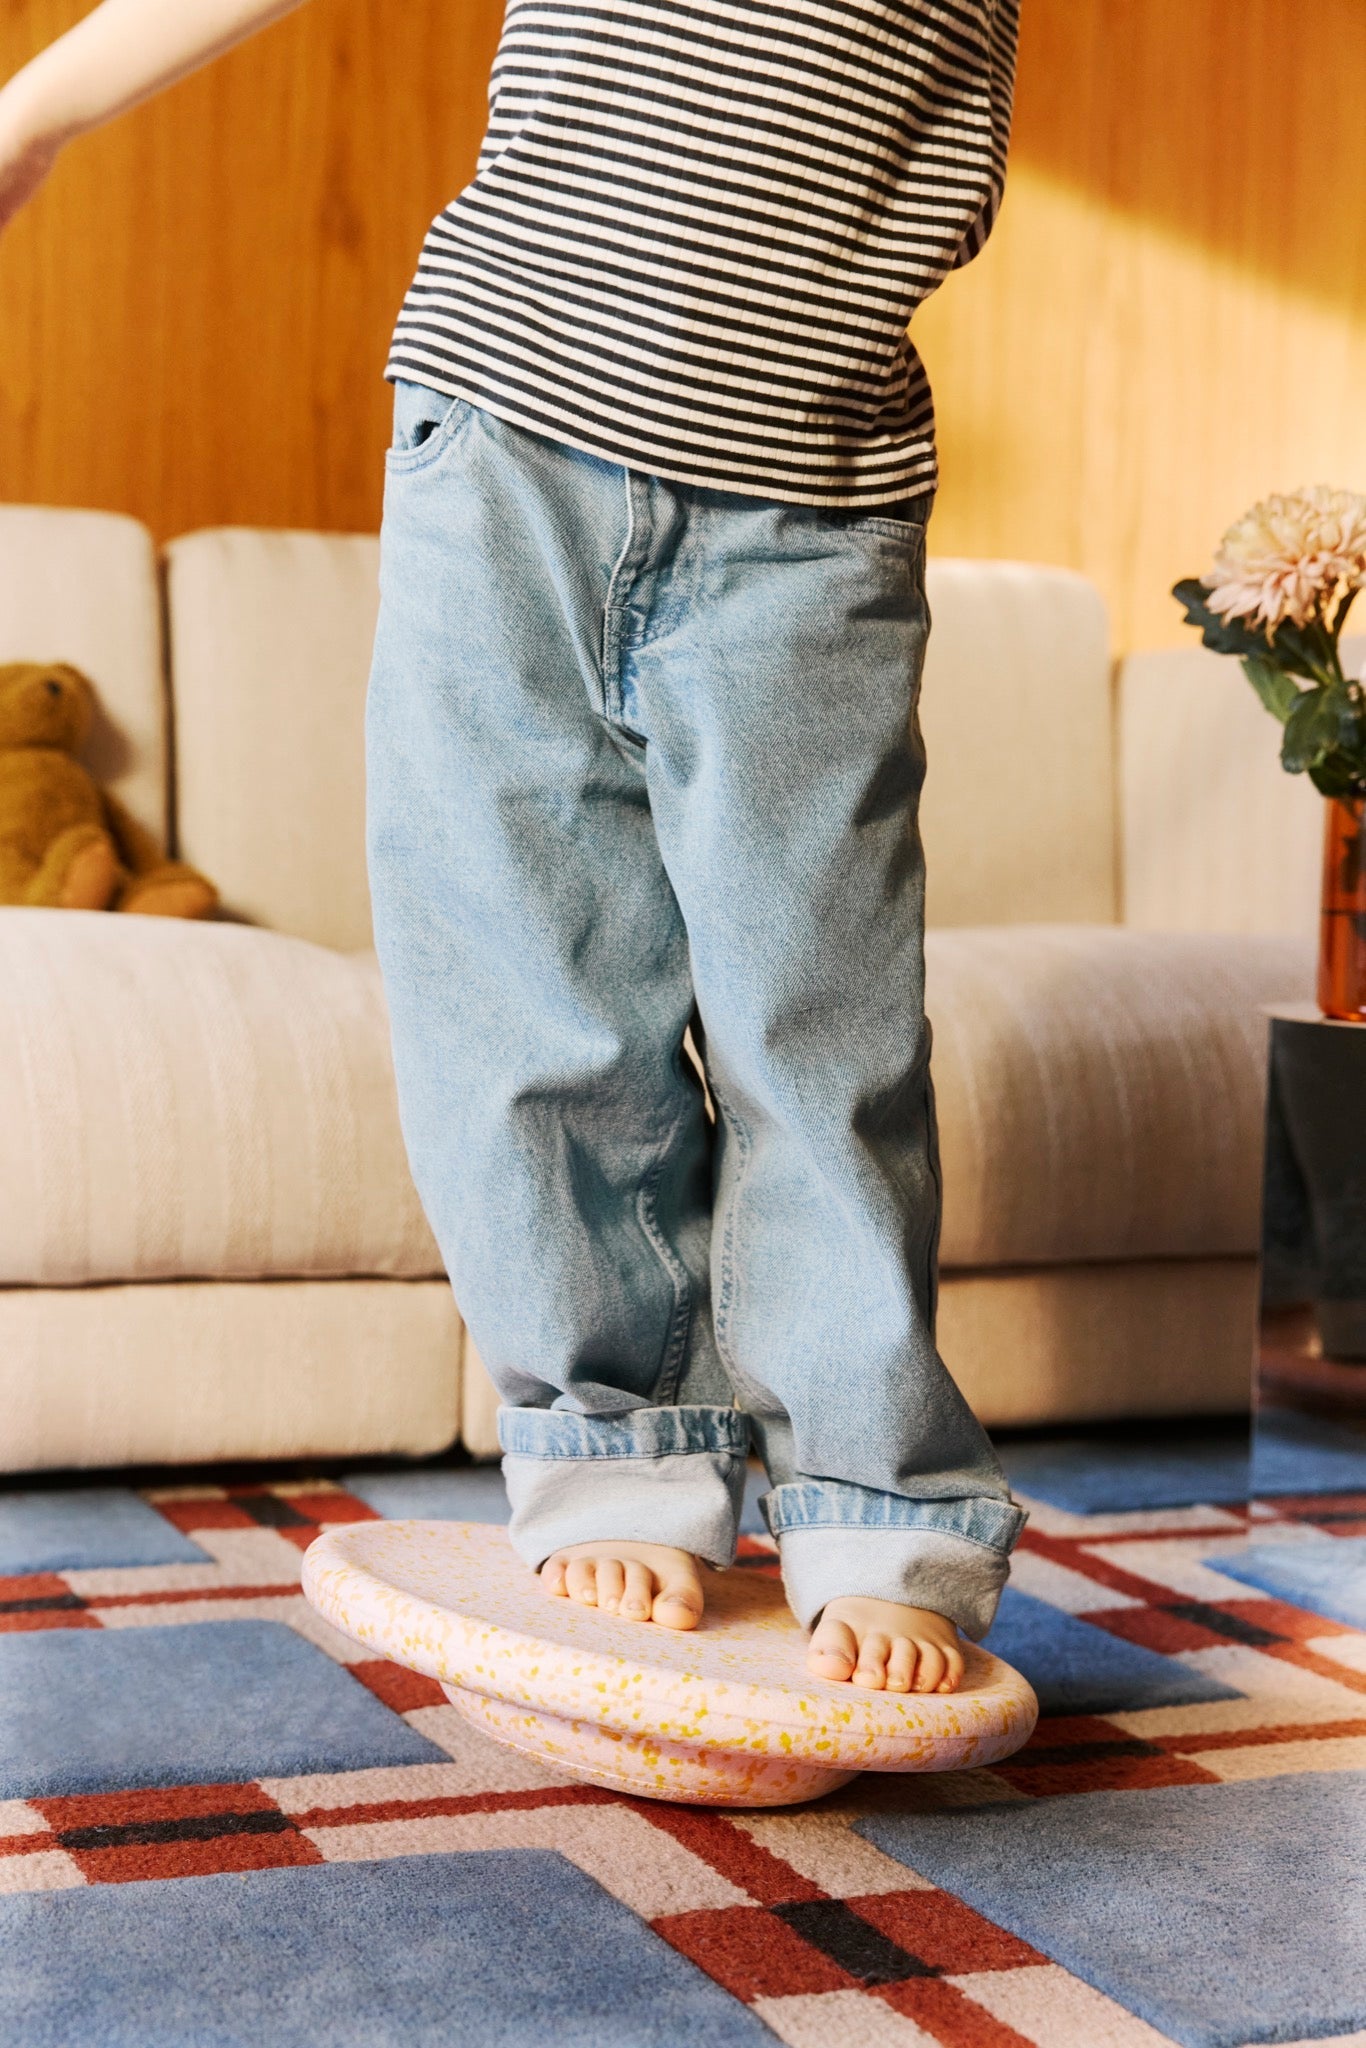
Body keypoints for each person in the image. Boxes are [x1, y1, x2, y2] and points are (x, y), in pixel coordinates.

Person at [0, 0, 1026, 1696]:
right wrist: (36, 109)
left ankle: (874, 1498)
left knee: (819, 1027)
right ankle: (617, 1446)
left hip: (812, 501)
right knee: (533, 995)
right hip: (504, 444)